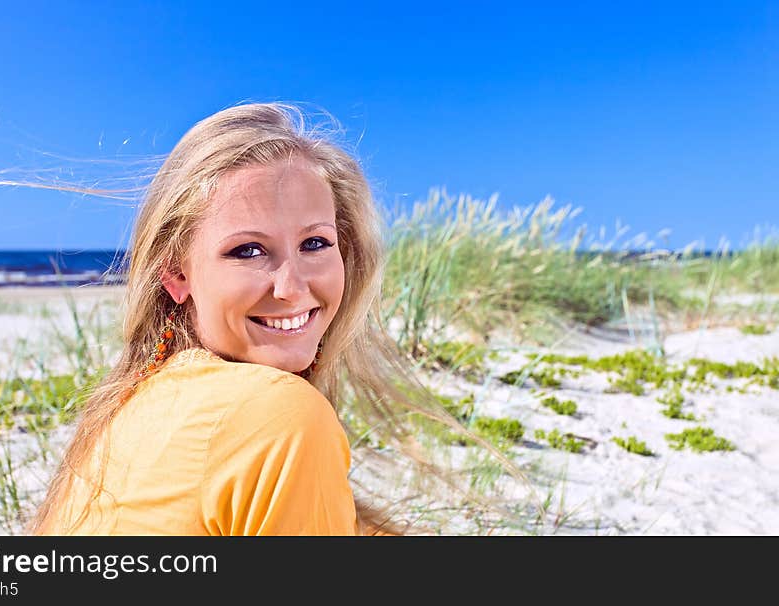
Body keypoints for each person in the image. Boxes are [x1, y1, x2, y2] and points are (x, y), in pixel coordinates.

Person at [26, 102, 520, 536]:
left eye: (315, 243)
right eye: (249, 250)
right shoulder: (280, 416)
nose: (292, 287)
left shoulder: (139, 396)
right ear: (176, 275)